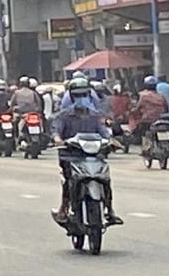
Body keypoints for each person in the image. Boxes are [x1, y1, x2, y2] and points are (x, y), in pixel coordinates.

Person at [51, 76, 120, 225]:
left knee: (105, 180)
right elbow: (56, 130)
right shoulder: (64, 115)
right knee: (68, 182)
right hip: (71, 156)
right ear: (71, 96)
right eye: (77, 95)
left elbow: (103, 132)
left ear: (89, 95)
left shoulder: (95, 116)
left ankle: (109, 209)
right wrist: (57, 139)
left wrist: (110, 141)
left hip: (94, 156)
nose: (81, 98)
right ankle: (64, 209)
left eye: (84, 95)